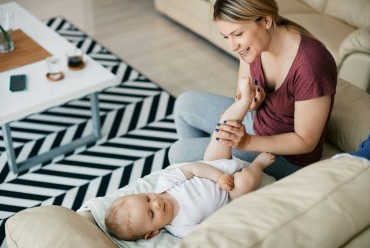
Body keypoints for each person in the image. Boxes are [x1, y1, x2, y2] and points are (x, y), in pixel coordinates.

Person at [168, 0, 337, 179]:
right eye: (227, 36)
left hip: (286, 157)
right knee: (185, 104)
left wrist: (247, 142)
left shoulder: (311, 64)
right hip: (256, 122)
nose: (232, 46)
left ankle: (207, 180)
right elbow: (241, 93)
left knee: (179, 153)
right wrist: (250, 102)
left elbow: (306, 142)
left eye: (238, 34)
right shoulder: (255, 43)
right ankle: (206, 182)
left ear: (266, 20)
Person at [105, 78, 275, 241]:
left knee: (222, 130)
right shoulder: (181, 228)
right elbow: (209, 230)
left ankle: (244, 102)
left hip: (214, 165)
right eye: (151, 214)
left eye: (147, 198)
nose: (156, 203)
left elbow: (193, 168)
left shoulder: (165, 184)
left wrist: (218, 176)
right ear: (152, 233)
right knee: (246, 183)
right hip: (230, 193)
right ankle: (258, 165)